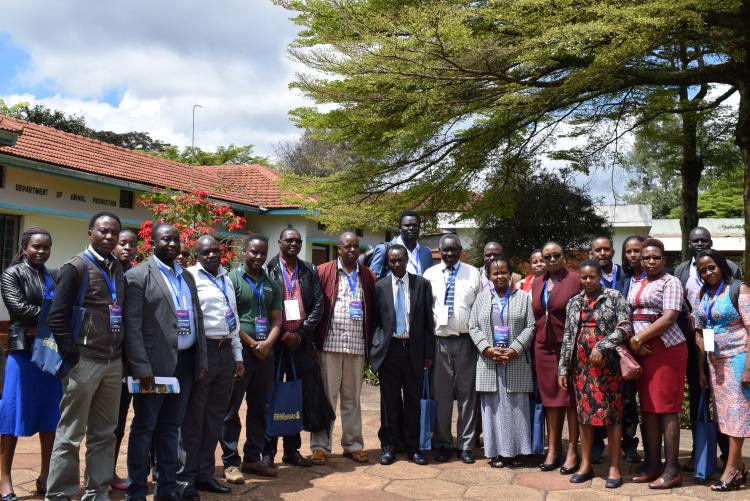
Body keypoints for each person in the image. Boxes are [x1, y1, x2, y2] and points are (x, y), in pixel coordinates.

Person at [45, 212, 126, 501]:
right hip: (85, 362)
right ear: (90, 232)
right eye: (103, 231)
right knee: (70, 434)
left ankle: (97, 492)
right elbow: (56, 317)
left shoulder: (117, 267)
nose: (109, 236)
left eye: (114, 232)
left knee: (105, 433)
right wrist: (73, 357)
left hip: (112, 362)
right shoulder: (75, 267)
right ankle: (59, 494)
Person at [124, 222, 208, 501]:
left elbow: (197, 319)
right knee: (145, 428)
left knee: (172, 429)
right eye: (166, 239)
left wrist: (201, 360)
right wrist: (141, 368)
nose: (172, 244)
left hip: (184, 364)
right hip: (154, 367)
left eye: (176, 239)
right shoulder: (138, 276)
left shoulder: (186, 276)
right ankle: (136, 492)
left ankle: (167, 490)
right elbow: (132, 326)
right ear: (152, 243)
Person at [558, 259, 633, 488]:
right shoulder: (574, 302)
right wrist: (563, 368)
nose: (588, 281)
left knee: (612, 416)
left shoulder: (614, 297)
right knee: (585, 416)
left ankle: (614, 466)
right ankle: (585, 464)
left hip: (608, 367)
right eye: (584, 277)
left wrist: (602, 345)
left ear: (600, 277)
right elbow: (568, 336)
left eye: (592, 276)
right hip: (581, 368)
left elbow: (625, 326)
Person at [178, 236, 244, 496]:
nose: (212, 255)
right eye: (206, 252)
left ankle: (205, 474)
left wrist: (238, 356)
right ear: (197, 255)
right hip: (203, 351)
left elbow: (233, 318)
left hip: (226, 351)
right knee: (194, 418)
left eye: (216, 251)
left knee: (215, 417)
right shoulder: (189, 277)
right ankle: (185, 478)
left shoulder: (226, 278)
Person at [0, 228, 61, 499]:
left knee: (50, 416)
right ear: (24, 247)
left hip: (49, 354)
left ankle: (46, 476)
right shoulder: (12, 274)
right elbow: (19, 309)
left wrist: (45, 322)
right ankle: (4, 479)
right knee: (11, 415)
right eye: (36, 246)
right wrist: (51, 318)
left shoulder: (52, 276)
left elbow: (65, 310)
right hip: (23, 353)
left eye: (46, 247)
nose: (41, 251)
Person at [673, 227, 740, 471]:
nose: (700, 244)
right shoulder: (681, 270)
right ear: (689, 244)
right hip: (695, 339)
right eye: (695, 240)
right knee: (699, 394)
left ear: (711, 242)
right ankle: (700, 452)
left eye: (704, 240)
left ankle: (728, 456)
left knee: (723, 398)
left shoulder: (730, 267)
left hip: (726, 342)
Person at [310, 232, 377, 465]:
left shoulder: (367, 275)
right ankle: (320, 447)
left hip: (356, 346)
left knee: (352, 400)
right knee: (326, 399)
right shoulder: (324, 271)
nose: (352, 250)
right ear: (338, 248)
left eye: (356, 246)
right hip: (329, 345)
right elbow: (315, 305)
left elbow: (373, 310)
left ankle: (353, 445)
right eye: (347, 246)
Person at [220, 235, 282, 482]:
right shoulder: (231, 280)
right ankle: (230, 462)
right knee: (231, 408)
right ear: (244, 251)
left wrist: (266, 344)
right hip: (240, 353)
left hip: (266, 354)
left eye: (262, 253)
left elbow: (277, 319)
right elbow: (229, 317)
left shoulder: (271, 283)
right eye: (254, 252)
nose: (258, 257)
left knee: (260, 407)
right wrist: (251, 343)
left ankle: (253, 458)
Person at [627, 238, 686, 489]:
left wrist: (638, 338)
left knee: (667, 409)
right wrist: (634, 343)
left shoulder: (670, 282)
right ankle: (652, 464)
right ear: (640, 261)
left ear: (664, 260)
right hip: (643, 352)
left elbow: (670, 317)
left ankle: (672, 469)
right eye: (646, 258)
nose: (651, 261)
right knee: (649, 409)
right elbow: (631, 314)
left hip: (666, 350)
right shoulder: (636, 283)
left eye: (656, 257)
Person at [264, 228, 324, 468]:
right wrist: (279, 335)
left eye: (298, 241)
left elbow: (318, 305)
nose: (294, 244)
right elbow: (262, 306)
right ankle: (267, 451)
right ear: (279, 242)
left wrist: (300, 334)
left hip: (300, 343)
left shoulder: (309, 270)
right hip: (275, 344)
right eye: (289, 240)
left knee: (296, 395)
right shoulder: (268, 269)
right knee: (271, 395)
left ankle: (291, 450)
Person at [371, 244, 435, 465]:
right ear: (388, 262)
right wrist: (376, 347)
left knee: (413, 401)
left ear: (407, 260)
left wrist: (428, 352)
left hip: (413, 351)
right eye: (392, 260)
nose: (397, 264)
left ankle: (413, 447)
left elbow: (428, 322)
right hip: (389, 351)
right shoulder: (379, 287)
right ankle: (389, 446)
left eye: (400, 260)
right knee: (389, 402)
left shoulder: (422, 285)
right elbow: (375, 322)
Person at [469, 256, 535, 468]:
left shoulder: (522, 297)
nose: (500, 276)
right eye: (495, 273)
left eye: (503, 272)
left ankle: (516, 452)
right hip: (489, 362)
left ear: (510, 274)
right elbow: (473, 326)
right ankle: (496, 452)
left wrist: (515, 349)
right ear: (489, 276)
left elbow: (530, 326)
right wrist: (487, 349)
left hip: (515, 360)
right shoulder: (481, 298)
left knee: (517, 408)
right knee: (493, 409)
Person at [692, 249, 750, 491]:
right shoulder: (703, 294)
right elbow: (700, 330)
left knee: (736, 416)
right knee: (724, 417)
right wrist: (702, 367)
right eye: (703, 270)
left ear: (721, 266)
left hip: (738, 360)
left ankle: (731, 470)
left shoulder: (739, 289)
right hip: (716, 365)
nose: (708, 272)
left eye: (711, 267)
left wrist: (748, 368)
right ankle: (739, 468)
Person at [424, 234, 482, 463]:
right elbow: (425, 311)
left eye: (454, 249)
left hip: (466, 342)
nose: (449, 254)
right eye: (445, 250)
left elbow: (479, 308)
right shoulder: (429, 275)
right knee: (442, 396)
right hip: (439, 342)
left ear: (460, 250)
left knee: (468, 396)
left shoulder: (473, 273)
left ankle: (466, 445)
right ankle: (443, 443)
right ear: (439, 251)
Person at [590, 236, 641, 464]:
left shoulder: (626, 275)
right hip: (599, 347)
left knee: (627, 398)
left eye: (606, 249)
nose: (602, 253)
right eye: (597, 250)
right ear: (592, 253)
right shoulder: (590, 276)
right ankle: (597, 445)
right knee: (598, 394)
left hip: (625, 345)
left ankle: (628, 444)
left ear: (612, 251)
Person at [531, 241, 581, 474]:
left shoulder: (575, 280)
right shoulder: (537, 282)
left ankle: (572, 450)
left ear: (563, 257)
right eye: (547, 256)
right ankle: (553, 448)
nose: (551, 260)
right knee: (550, 398)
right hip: (543, 347)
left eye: (556, 255)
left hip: (568, 346)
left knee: (570, 399)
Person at [111, 228, 138, 492]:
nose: (127, 248)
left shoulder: (137, 276)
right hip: (101, 357)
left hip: (128, 361)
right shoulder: (104, 271)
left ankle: (109, 471)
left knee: (118, 421)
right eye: (122, 243)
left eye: (132, 244)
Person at [368, 210, 434, 279]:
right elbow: (372, 280)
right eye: (407, 225)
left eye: (415, 225)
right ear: (400, 227)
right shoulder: (384, 249)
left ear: (419, 227)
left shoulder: (426, 252)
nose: (411, 228)